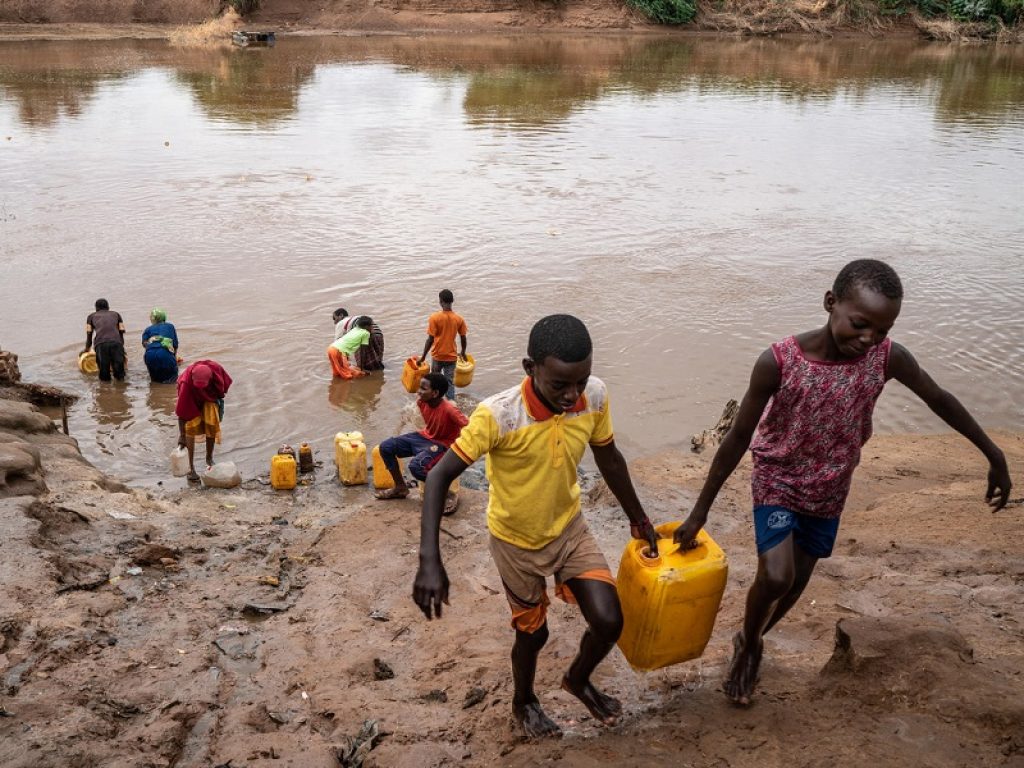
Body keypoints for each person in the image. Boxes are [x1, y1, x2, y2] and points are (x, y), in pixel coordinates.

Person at [672, 259, 1013, 707]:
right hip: (779, 479)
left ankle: (750, 636)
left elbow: (939, 399)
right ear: (831, 303)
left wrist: (994, 453)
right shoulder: (779, 361)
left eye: (881, 329)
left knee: (796, 585)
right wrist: (700, 512)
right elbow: (738, 437)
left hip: (830, 488)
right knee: (777, 575)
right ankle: (752, 644)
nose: (868, 338)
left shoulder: (887, 358)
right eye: (859, 324)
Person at [413, 314, 659, 739]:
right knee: (533, 634)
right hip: (515, 543)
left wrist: (638, 518)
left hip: (568, 529)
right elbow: (438, 477)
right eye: (559, 384)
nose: (572, 394)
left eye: (580, 381)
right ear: (530, 368)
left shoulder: (595, 397)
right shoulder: (499, 415)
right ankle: (523, 700)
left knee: (609, 619)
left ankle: (578, 679)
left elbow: (609, 459)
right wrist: (430, 560)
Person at [374, 372, 468, 513]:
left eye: (423, 389)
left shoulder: (450, 409)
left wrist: (460, 451)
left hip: (443, 444)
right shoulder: (421, 402)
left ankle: (448, 493)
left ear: (435, 393)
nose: (418, 391)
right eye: (420, 387)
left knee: (416, 467)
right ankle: (400, 487)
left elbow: (470, 427)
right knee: (386, 447)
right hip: (425, 437)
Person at [175, 360, 232, 482]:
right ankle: (191, 468)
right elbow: (182, 413)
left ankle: (209, 458)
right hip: (191, 396)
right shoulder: (187, 383)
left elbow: (223, 388)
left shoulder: (216, 371)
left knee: (211, 423)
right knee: (190, 427)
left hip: (209, 397)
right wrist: (182, 436)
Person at [417, 289, 467, 400]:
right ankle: (451, 405)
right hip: (451, 357)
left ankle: (435, 403)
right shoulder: (459, 319)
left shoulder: (434, 318)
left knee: (434, 382)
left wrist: (423, 357)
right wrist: (463, 352)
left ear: (440, 301)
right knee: (449, 382)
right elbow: (463, 337)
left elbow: (430, 339)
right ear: (452, 301)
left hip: (438, 356)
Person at [83, 298, 126, 382]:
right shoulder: (116, 314)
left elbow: (89, 334)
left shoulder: (91, 317)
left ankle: (105, 391)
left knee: (104, 372)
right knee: (119, 373)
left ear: (96, 308)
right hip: (116, 343)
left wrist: (86, 349)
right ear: (108, 307)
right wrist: (121, 347)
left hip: (101, 344)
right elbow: (121, 331)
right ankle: (121, 390)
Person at [141, 308, 179, 384]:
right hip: (164, 353)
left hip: (149, 355)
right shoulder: (170, 326)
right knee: (172, 380)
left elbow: (145, 344)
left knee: (155, 381)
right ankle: (167, 394)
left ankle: (155, 393)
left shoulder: (147, 329)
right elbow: (175, 345)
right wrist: (174, 358)